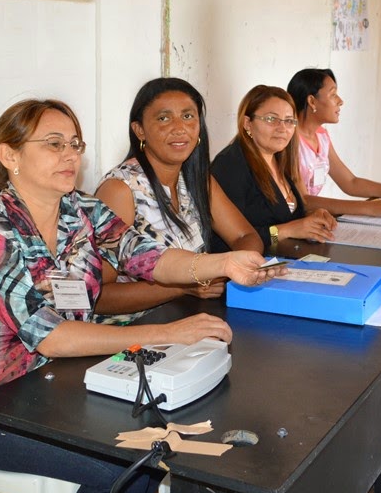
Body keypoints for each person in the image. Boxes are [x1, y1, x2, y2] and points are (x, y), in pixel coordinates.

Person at [0, 98, 284, 493]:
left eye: (74, 144)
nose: (70, 155)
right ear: (10, 156)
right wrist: (166, 333)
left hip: (65, 382)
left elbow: (147, 257)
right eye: (53, 144)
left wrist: (222, 264)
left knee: (158, 445)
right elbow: (51, 338)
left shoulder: (80, 211)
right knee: (127, 463)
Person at [94, 78, 263, 317]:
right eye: (163, 118)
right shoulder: (121, 189)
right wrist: (184, 286)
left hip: (186, 316)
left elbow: (245, 236)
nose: (179, 128)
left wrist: (222, 270)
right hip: (131, 333)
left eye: (188, 116)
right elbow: (99, 296)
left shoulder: (195, 179)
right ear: (139, 130)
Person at [286, 67, 381, 217]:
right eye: (333, 95)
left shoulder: (321, 136)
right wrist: (368, 207)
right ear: (312, 101)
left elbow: (350, 183)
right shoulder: (289, 139)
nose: (340, 101)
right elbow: (304, 201)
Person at [211, 85, 337, 252]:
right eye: (271, 119)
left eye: (289, 121)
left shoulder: (279, 158)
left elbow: (286, 217)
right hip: (249, 269)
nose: (282, 128)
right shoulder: (230, 165)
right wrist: (288, 230)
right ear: (247, 123)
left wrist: (312, 216)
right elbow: (231, 241)